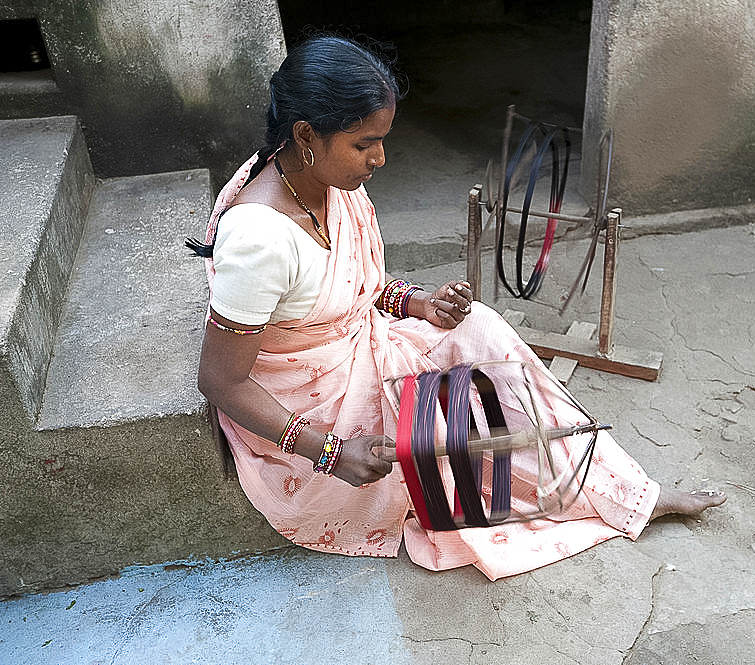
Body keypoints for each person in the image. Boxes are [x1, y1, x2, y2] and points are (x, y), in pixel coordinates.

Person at [191, 34, 725, 581]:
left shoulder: (329, 181)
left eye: (382, 139)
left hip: (358, 348)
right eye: (365, 144)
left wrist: (417, 304)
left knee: (481, 329)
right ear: (306, 135)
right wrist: (331, 452)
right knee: (456, 430)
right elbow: (221, 380)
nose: (380, 159)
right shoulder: (258, 237)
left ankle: (620, 490)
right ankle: (576, 492)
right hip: (313, 405)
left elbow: (351, 288)